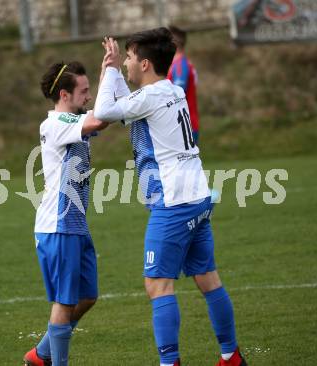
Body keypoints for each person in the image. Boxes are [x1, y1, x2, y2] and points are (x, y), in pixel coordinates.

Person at [94, 29, 247, 366]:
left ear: (145, 63)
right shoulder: (171, 90)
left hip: (174, 203)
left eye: (131, 58)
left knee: (157, 285)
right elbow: (126, 104)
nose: (128, 63)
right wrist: (118, 71)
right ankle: (231, 356)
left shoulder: (148, 98)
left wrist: (108, 69)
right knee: (208, 278)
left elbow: (104, 111)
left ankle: (170, 363)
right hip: (197, 196)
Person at [23, 61, 109, 366]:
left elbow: (104, 117)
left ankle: (41, 354)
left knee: (87, 296)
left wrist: (110, 72)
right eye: (84, 91)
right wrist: (109, 71)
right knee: (64, 301)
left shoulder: (72, 119)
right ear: (64, 94)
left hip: (75, 225)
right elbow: (99, 121)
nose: (88, 96)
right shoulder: (55, 125)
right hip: (58, 226)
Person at [167, 25, 200, 145]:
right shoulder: (178, 64)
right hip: (182, 125)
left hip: (184, 125)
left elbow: (177, 95)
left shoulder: (180, 65)